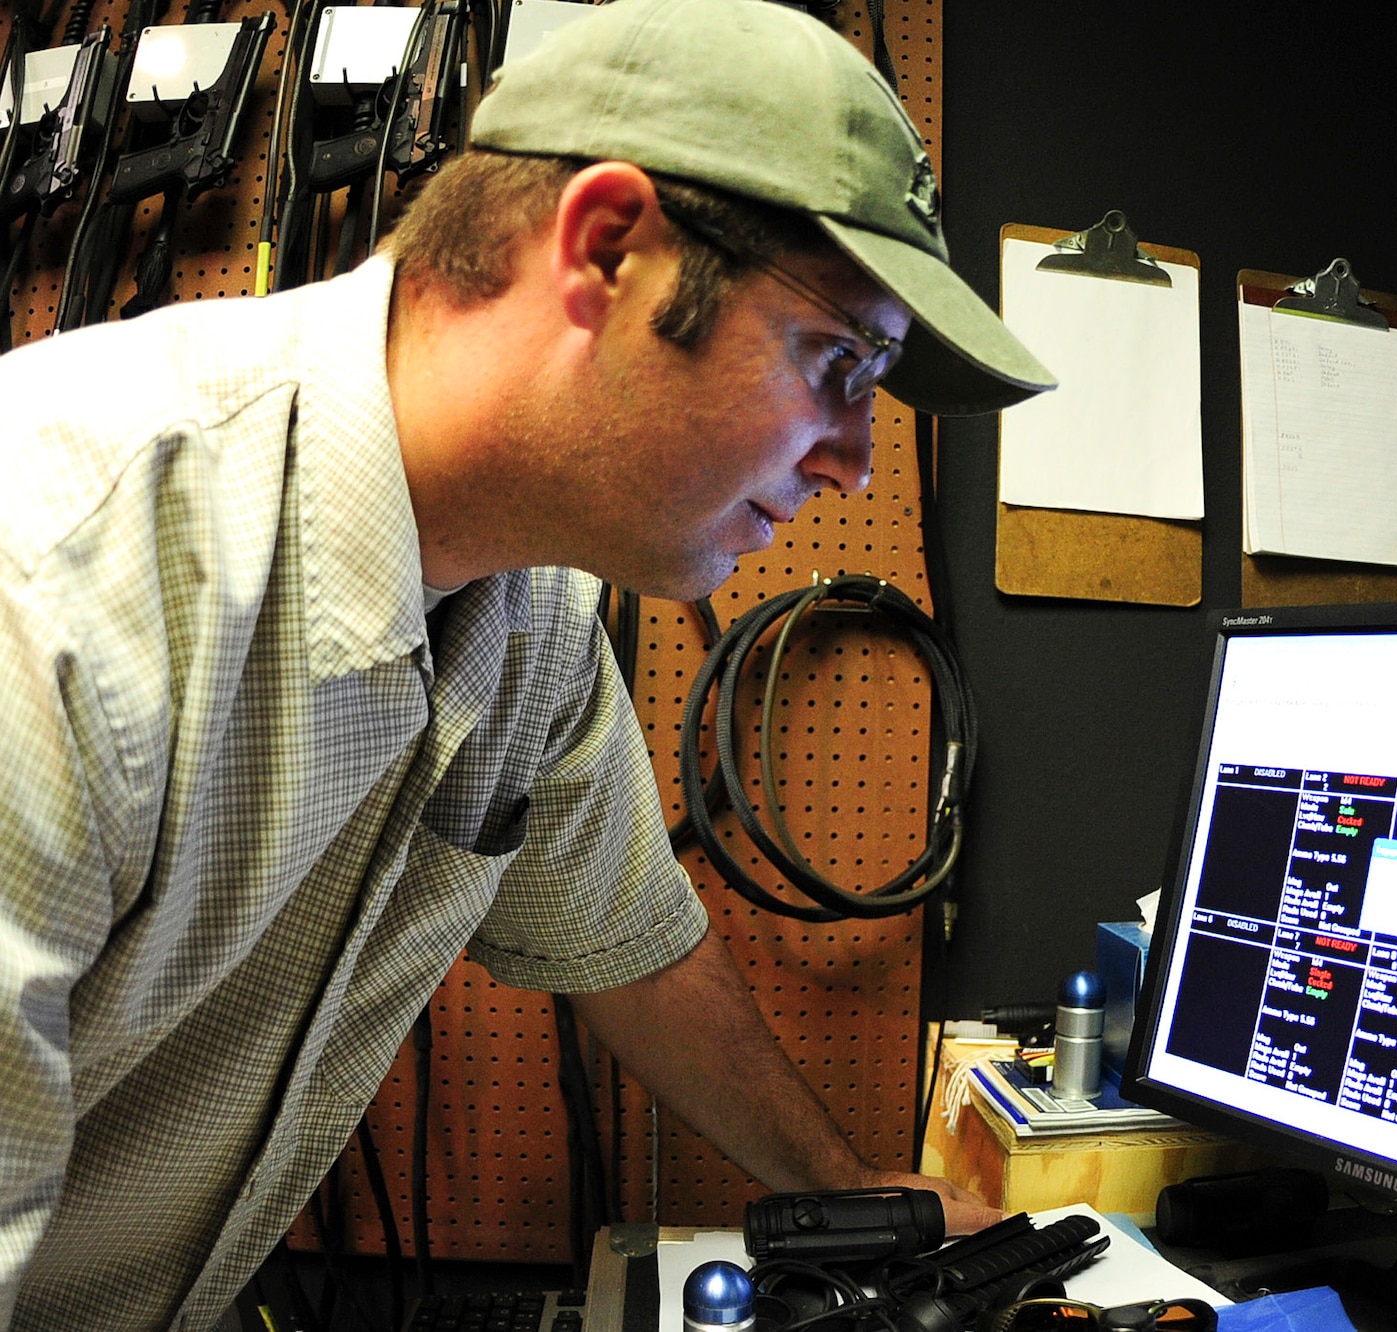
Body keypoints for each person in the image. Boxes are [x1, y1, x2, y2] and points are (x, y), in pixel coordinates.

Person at [0, 0, 1056, 1326]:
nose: (853, 457)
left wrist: (857, 1193)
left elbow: (633, 950)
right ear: (608, 247)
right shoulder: (54, 577)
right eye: (838, 360)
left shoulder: (531, 614)